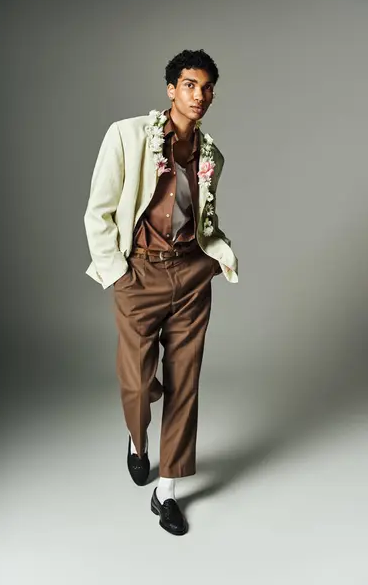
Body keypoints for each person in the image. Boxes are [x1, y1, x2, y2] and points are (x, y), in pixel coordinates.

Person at [84, 49, 238, 535]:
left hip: (191, 276)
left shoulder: (211, 155)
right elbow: (99, 210)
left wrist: (218, 254)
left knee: (185, 383)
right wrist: (116, 274)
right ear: (171, 88)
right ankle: (138, 441)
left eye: (207, 87)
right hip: (139, 277)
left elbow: (204, 221)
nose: (200, 95)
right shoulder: (127, 135)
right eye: (190, 85)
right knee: (137, 382)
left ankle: (167, 490)